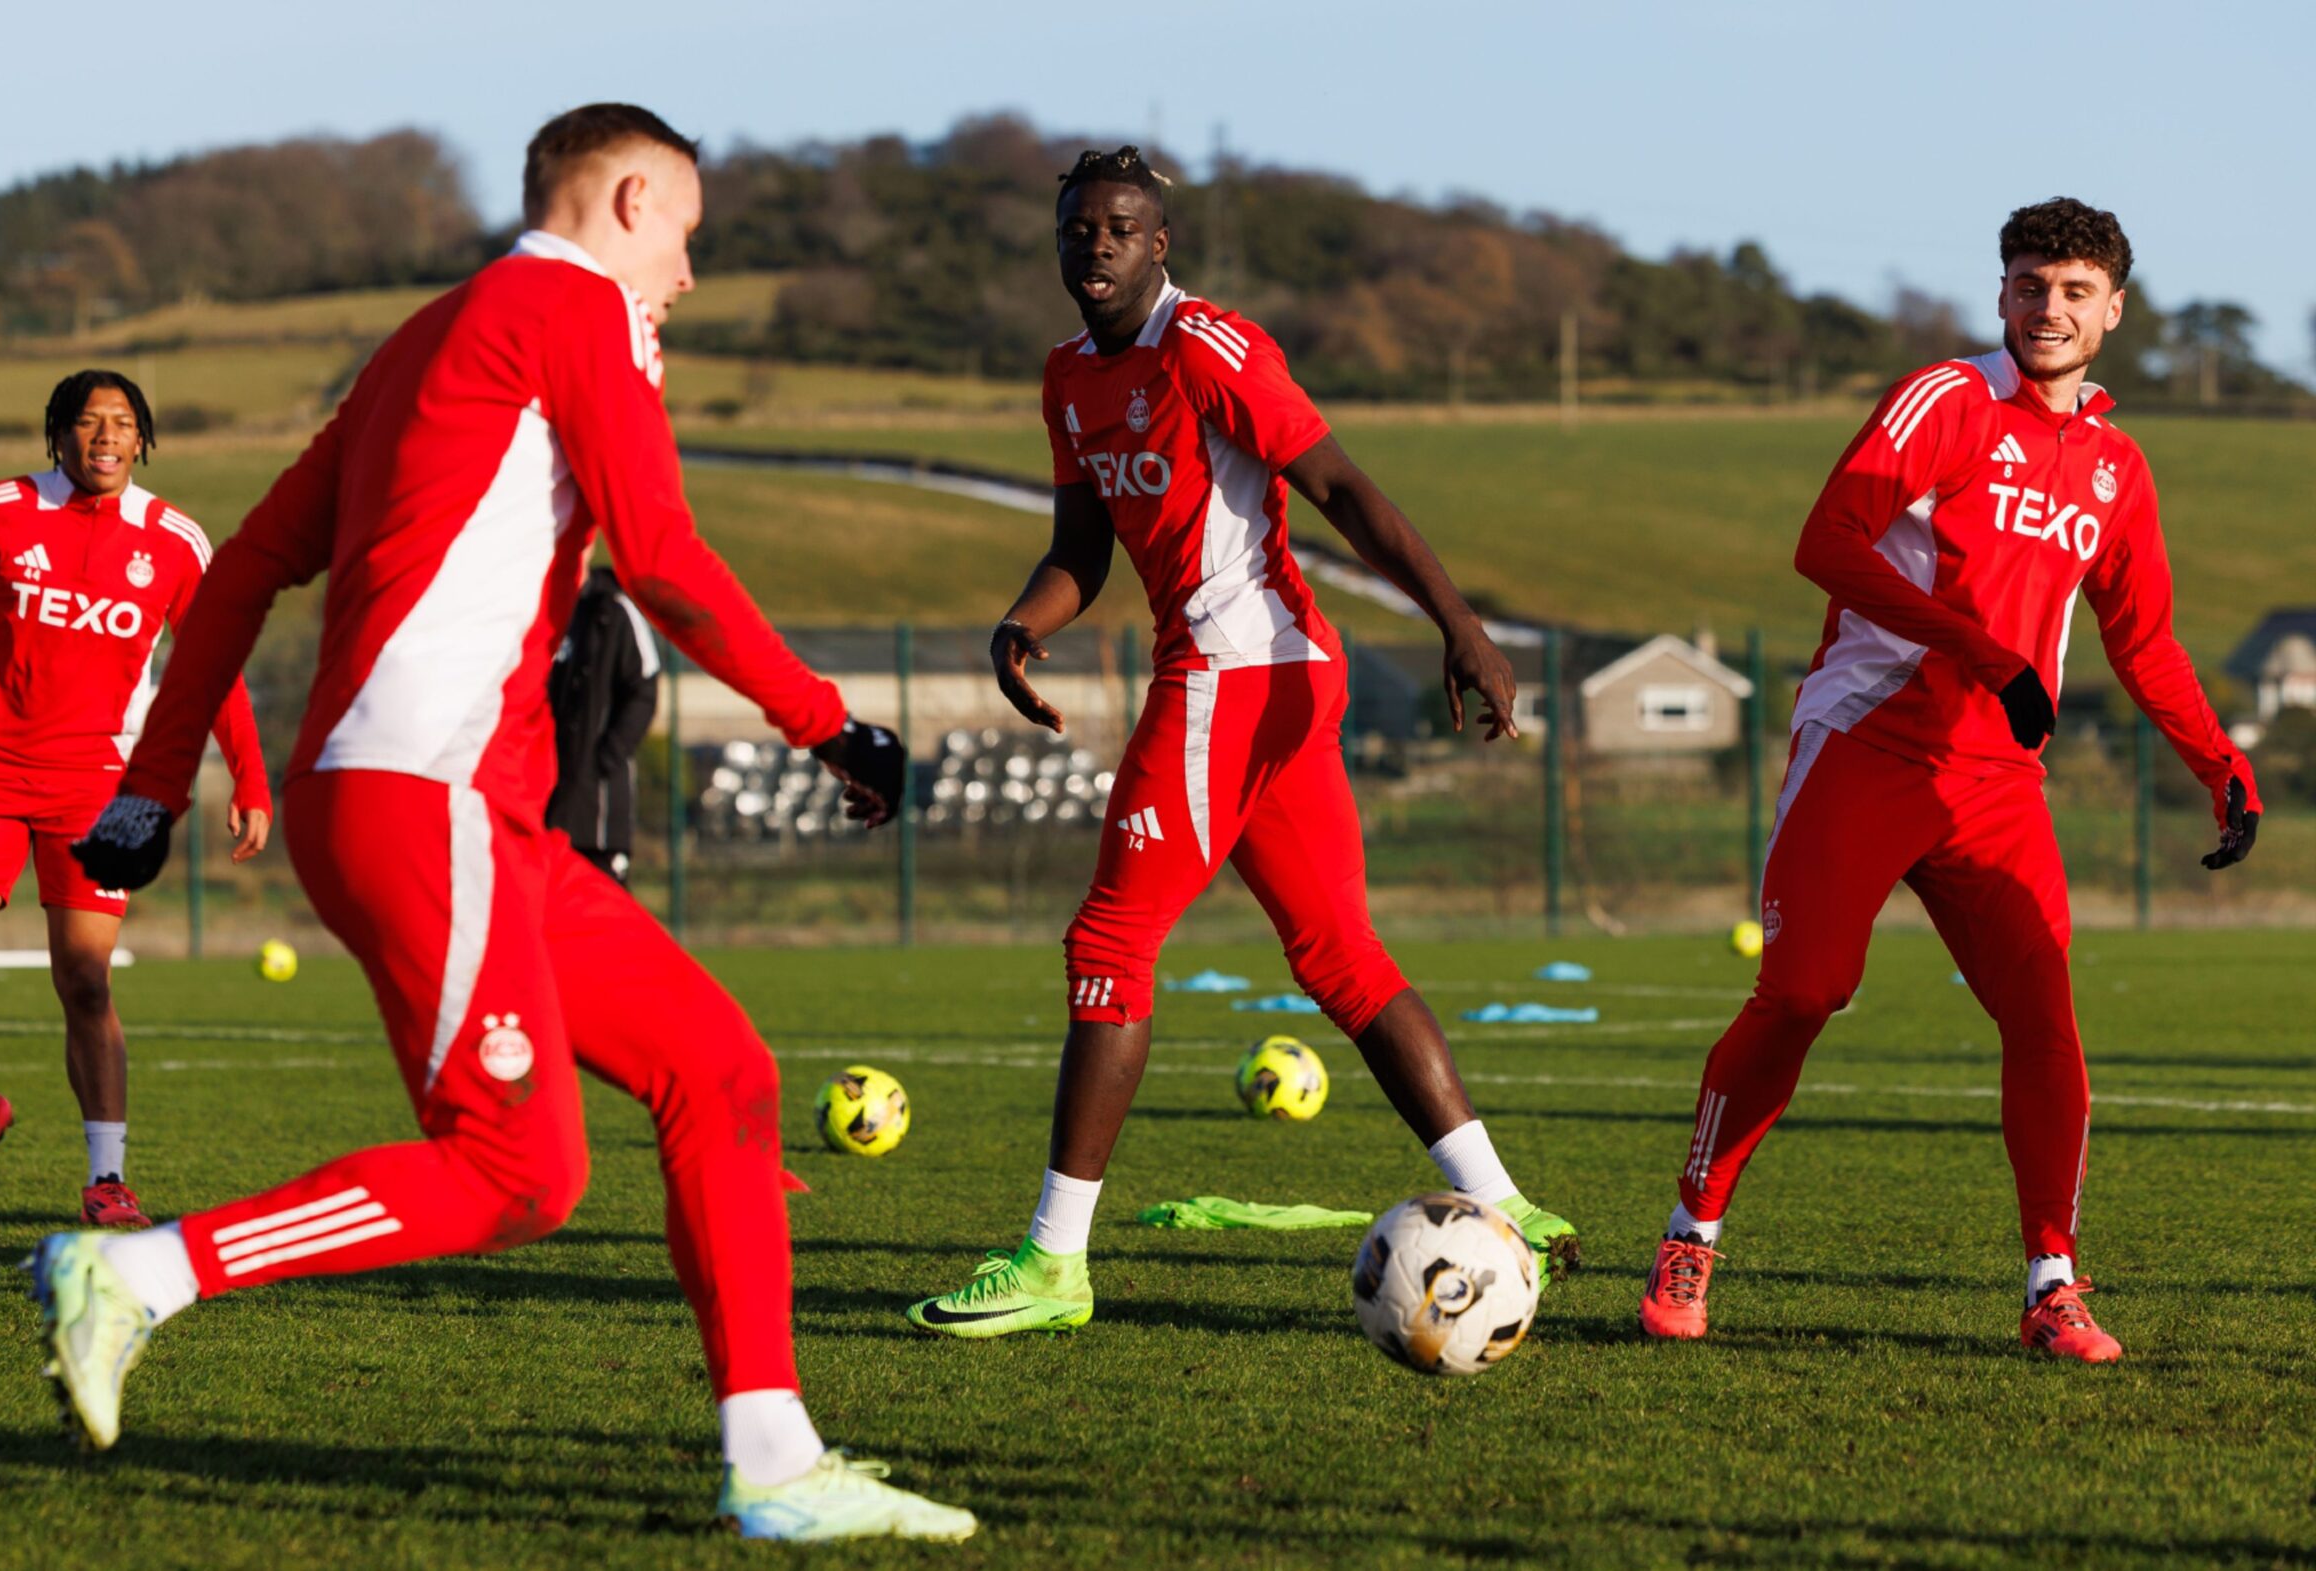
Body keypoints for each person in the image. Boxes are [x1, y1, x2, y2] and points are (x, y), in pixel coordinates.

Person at [36, 105, 973, 1544]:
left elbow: (238, 574)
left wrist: (152, 787)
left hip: (463, 814)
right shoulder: (574, 304)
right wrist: (823, 719)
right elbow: (659, 553)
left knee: (721, 1072)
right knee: (519, 1167)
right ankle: (146, 1274)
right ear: (632, 200)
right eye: (687, 242)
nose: (689, 278)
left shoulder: (420, 343)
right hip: (427, 795)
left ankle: (778, 1462)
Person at [906, 147, 1578, 1341]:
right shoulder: (1067, 377)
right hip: (1258, 678)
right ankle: (1504, 1202)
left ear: (1159, 245)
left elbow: (1342, 487)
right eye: (1078, 230)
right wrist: (1022, 623)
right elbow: (1082, 545)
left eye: (1120, 228)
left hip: (1239, 668)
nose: (1096, 246)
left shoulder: (1209, 347)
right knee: (1339, 956)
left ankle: (1053, 1264)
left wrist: (1460, 625)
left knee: (1109, 937)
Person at [1636, 198, 2263, 1363]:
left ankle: (2051, 1282)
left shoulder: (2119, 468)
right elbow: (1825, 542)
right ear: (2000, 296)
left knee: (2045, 1020)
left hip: (1993, 782)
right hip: (1867, 746)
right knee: (1805, 991)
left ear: (2113, 311)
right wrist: (1981, 651)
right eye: (2029, 284)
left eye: (2074, 290)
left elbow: (2147, 641)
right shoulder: (1946, 401)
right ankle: (1691, 1233)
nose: (2049, 308)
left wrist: (2220, 764)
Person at [0, 369, 271, 1227]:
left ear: (144, 439)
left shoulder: (174, 540)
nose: (106, 436)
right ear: (56, 435)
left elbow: (209, 666)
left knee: (85, 978)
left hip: (101, 784)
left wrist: (248, 772)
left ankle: (106, 1177)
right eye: (88, 422)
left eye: (124, 423)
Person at [546, 563, 659, 882]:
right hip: (547, 803)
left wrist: (605, 758)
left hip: (597, 810)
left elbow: (643, 689)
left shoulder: (612, 611)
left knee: (605, 913)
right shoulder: (543, 608)